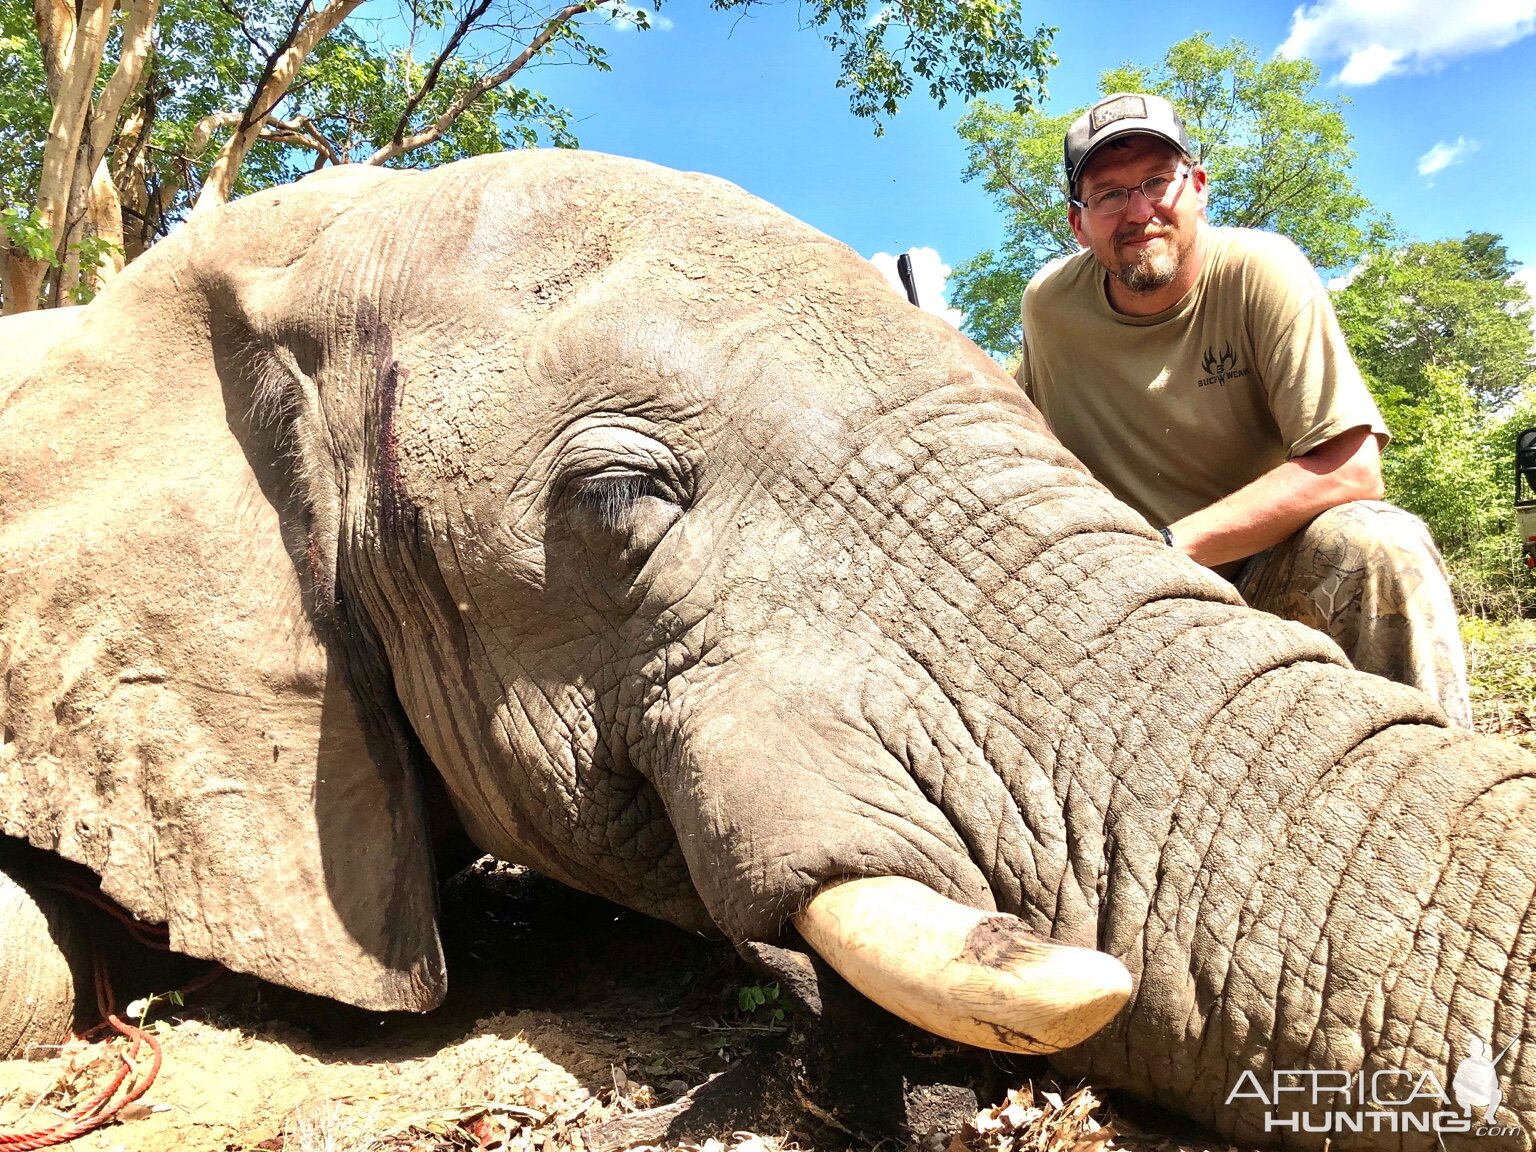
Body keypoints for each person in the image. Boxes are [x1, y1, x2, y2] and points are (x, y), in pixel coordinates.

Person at [1015, 91, 1472, 727]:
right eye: (1109, 193)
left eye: (1156, 181)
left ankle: (1443, 794)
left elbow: (1352, 467)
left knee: (1380, 541)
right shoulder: (1047, 308)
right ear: (1078, 221)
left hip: (1260, 580)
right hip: (1121, 607)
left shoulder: (1263, 270)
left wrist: (1170, 549)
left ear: (1198, 187)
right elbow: (1016, 438)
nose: (1139, 210)